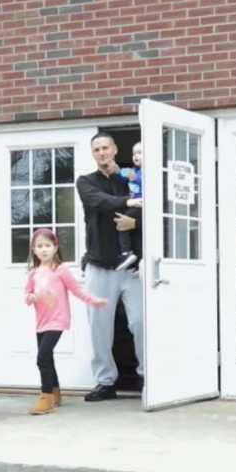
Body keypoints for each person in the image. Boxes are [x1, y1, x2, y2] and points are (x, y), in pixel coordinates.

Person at [75, 132, 145, 402]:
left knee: (140, 322)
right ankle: (105, 382)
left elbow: (155, 210)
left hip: (132, 267)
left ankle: (147, 377)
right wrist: (128, 203)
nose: (102, 153)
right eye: (96, 149)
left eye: (106, 148)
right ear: (93, 154)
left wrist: (136, 222)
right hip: (100, 265)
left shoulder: (131, 180)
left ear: (115, 149)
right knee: (99, 327)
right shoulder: (86, 182)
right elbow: (98, 202)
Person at [23, 229, 108, 415]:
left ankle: (46, 398)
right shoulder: (33, 273)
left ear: (55, 247)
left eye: (47, 245)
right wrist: (29, 297)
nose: (44, 249)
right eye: (39, 246)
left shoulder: (61, 270)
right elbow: (27, 294)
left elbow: (77, 290)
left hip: (58, 320)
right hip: (41, 322)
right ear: (34, 250)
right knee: (48, 357)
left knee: (42, 357)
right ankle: (55, 392)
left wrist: (95, 301)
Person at [113, 141, 143, 272]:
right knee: (136, 235)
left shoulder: (145, 172)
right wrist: (116, 170)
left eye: (140, 153)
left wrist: (135, 178)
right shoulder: (133, 170)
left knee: (124, 222)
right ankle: (138, 264)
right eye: (134, 153)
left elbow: (147, 181)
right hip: (133, 205)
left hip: (142, 206)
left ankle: (125, 253)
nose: (136, 156)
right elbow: (121, 177)